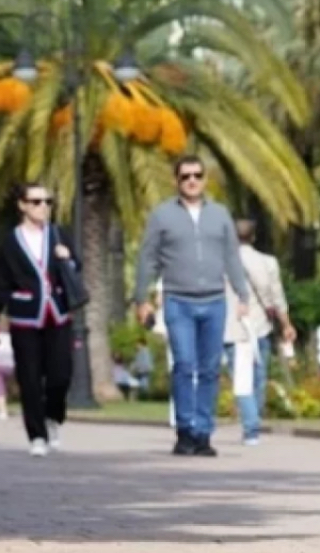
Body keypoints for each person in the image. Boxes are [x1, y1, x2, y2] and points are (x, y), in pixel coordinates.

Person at [134, 155, 250, 457]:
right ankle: (185, 431)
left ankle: (203, 433)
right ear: (176, 181)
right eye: (185, 176)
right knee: (184, 365)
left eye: (197, 175)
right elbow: (147, 258)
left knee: (210, 369)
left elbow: (232, 256)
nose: (192, 181)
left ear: (205, 178)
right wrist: (141, 298)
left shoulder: (220, 214)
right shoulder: (162, 216)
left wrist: (243, 295)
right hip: (178, 301)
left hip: (214, 301)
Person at [0, 182, 79, 457]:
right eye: (37, 202)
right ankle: (36, 435)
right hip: (25, 317)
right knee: (29, 378)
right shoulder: (10, 241)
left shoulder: (60, 234)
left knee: (60, 375)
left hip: (58, 314)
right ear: (23, 205)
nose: (43, 207)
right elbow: (0, 284)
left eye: (48, 201)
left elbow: (78, 266)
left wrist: (68, 259)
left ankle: (53, 417)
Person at [223, 219, 297, 446]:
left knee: (242, 378)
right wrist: (286, 325)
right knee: (259, 377)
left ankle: (251, 427)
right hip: (259, 327)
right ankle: (253, 422)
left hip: (232, 329)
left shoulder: (221, 262)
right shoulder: (268, 262)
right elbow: (277, 298)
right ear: (253, 237)